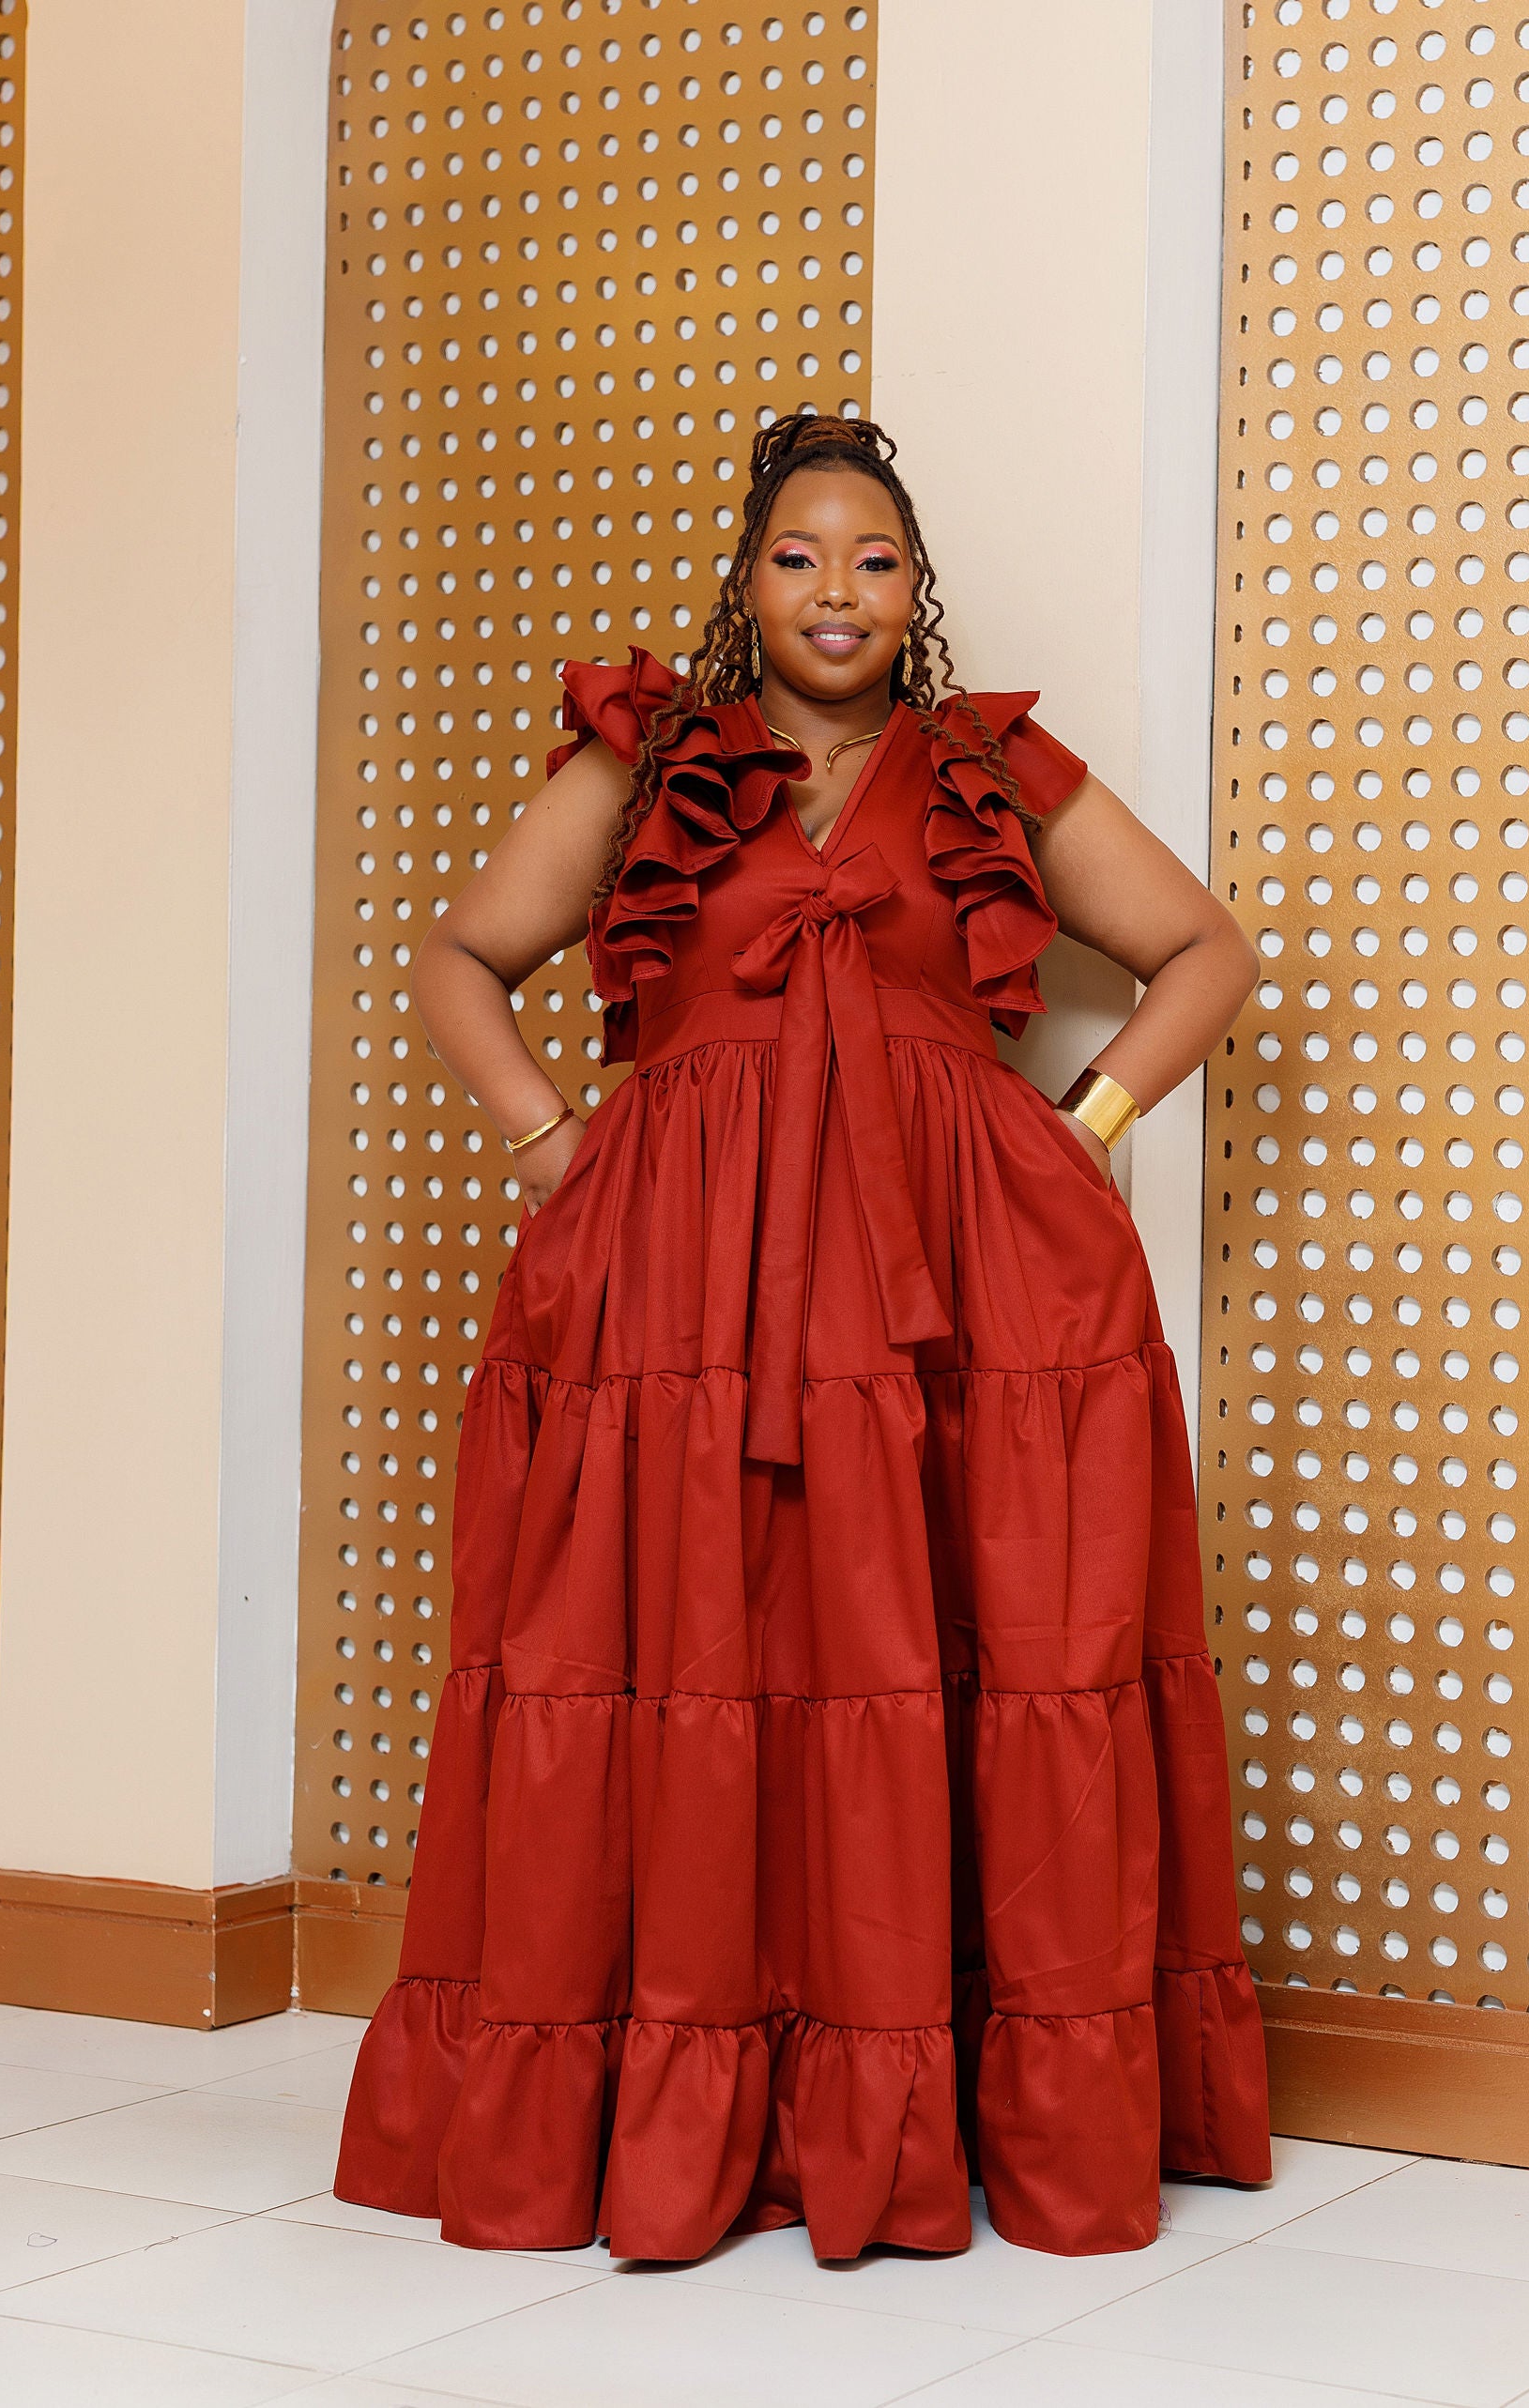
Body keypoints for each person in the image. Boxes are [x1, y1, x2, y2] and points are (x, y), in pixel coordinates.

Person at [334, 408, 1270, 2262]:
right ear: (747, 582)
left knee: (941, 1659)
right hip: (684, 1291)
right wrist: (556, 1142)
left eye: (874, 558)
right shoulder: (648, 762)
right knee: (682, 1656)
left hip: (945, 1289)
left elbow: (1207, 949)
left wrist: (1077, 1132)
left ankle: (929, 2091)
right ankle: (680, 2088)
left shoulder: (991, 766)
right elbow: (459, 959)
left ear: (914, 590)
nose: (837, 588)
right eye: (799, 554)